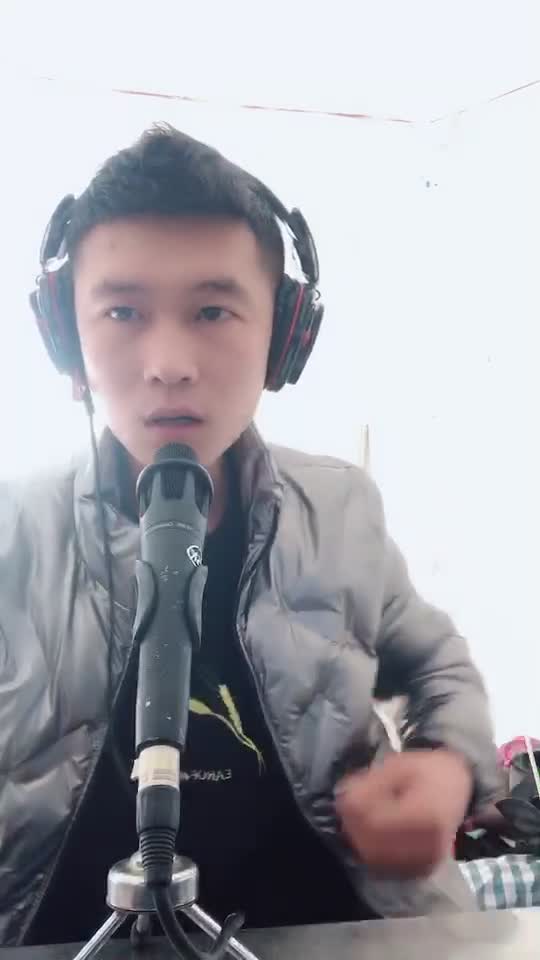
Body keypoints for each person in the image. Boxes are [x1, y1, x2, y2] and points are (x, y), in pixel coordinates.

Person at [0, 124, 499, 947]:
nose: (168, 362)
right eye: (122, 311)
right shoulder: (14, 534)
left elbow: (439, 667)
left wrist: (447, 765)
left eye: (212, 310)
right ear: (65, 333)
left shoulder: (340, 509)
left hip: (327, 936)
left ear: (284, 335)